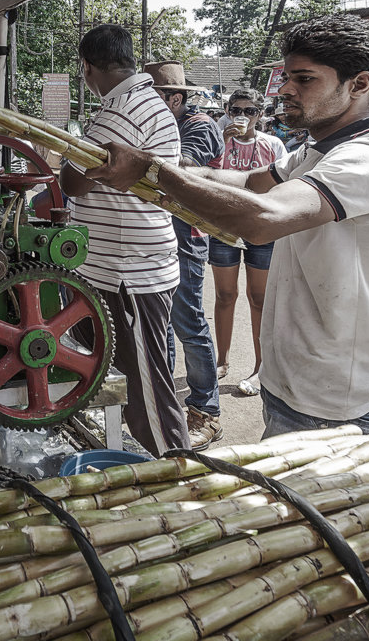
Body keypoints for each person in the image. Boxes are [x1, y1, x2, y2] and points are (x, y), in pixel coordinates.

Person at [86, 14, 369, 437]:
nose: (285, 89)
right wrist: (160, 165)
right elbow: (249, 183)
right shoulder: (315, 153)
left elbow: (263, 219)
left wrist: (155, 172)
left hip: (334, 399)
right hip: (296, 382)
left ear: (359, 85)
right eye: (287, 77)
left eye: (304, 79)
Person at [60, 24, 190, 456]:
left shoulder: (122, 111)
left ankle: (178, 473)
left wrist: (68, 150)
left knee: (146, 393)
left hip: (127, 273)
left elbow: (75, 183)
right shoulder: (138, 102)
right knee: (113, 377)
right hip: (117, 267)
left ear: (87, 67)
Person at [143, 60, 223, 450]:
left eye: (152, 96)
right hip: (158, 236)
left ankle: (207, 410)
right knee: (162, 323)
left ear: (174, 98)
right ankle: (171, 404)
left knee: (188, 322)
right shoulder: (162, 124)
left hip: (186, 238)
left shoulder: (200, 126)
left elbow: (184, 164)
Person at [207, 90, 288, 398]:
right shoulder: (218, 139)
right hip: (223, 227)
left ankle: (260, 367)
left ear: (260, 113)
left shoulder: (274, 145)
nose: (243, 115)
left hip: (261, 228)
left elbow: (284, 185)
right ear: (228, 110)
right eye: (236, 109)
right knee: (225, 295)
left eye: (250, 110)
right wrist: (222, 143)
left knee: (259, 298)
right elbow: (207, 179)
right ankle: (222, 360)